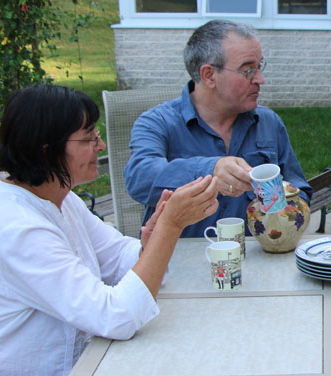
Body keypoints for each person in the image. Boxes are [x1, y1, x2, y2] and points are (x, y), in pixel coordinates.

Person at [0, 84, 220, 376]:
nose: (100, 146)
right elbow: (117, 316)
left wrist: (152, 238)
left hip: (86, 367)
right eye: (88, 138)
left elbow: (119, 260)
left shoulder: (57, 199)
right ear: (46, 150)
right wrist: (169, 228)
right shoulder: (15, 227)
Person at [124, 20, 311, 237]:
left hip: (257, 258)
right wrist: (210, 170)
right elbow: (139, 178)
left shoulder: (268, 123)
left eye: (259, 67)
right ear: (209, 75)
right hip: (179, 260)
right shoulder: (158, 122)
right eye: (248, 70)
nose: (260, 79)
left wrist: (286, 209)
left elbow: (299, 189)